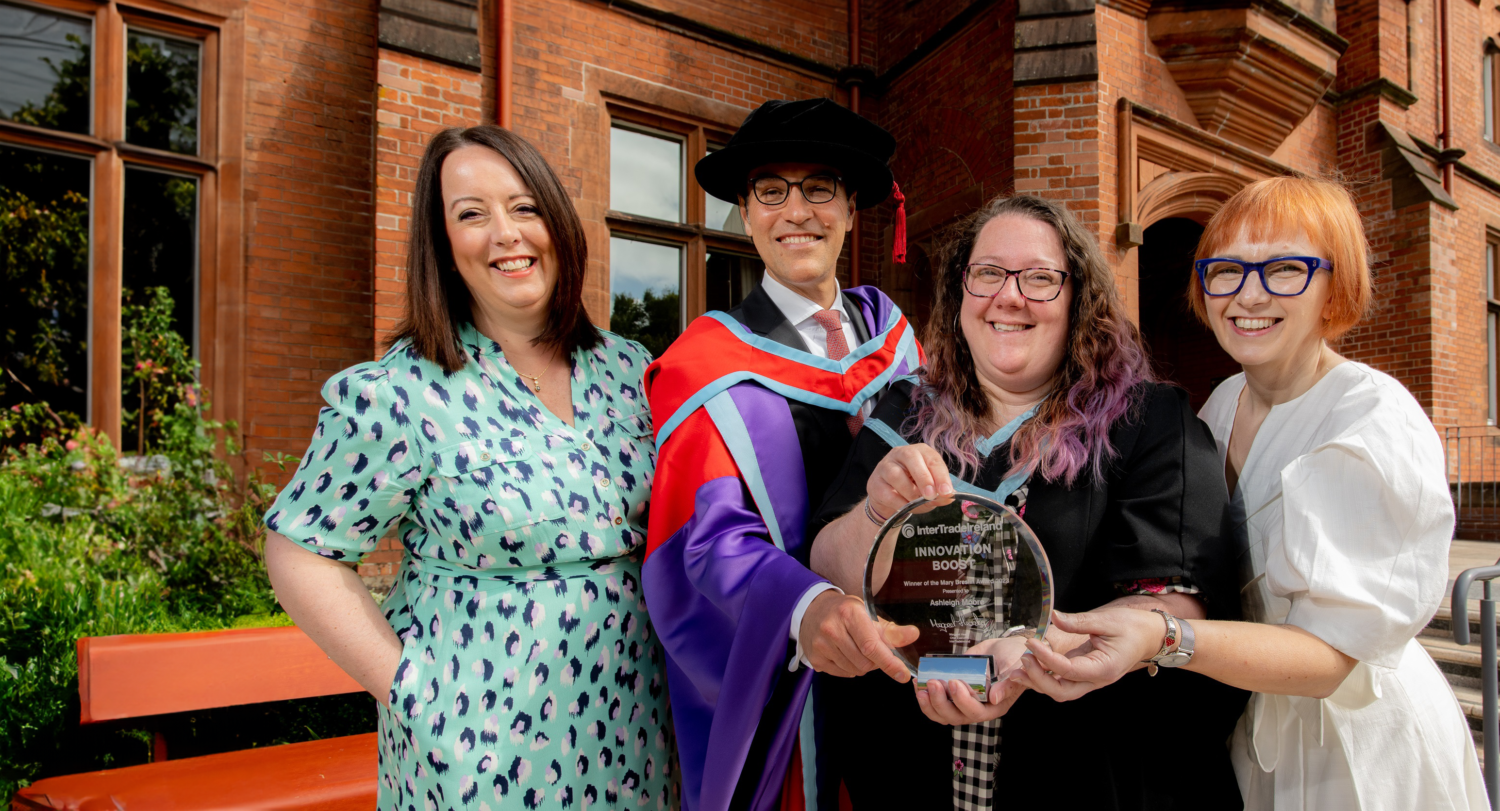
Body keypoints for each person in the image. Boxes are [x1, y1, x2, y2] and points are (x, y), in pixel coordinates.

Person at [1019, 176, 1488, 810]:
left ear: (1334, 288)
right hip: (1249, 721)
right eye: (1227, 271)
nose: (1249, 294)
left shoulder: (1371, 421)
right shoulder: (1221, 403)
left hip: (1352, 747)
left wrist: (1162, 637)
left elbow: (1331, 657)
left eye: (1285, 269)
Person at [262, 125, 677, 810]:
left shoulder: (630, 370)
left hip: (637, 726)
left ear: (556, 223)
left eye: (524, 207)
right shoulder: (400, 393)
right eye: (471, 214)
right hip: (481, 746)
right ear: (444, 246)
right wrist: (407, 688)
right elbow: (300, 549)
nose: (506, 234)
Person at [808, 193, 1249, 809]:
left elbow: (1179, 599)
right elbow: (825, 566)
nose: (1008, 297)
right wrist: (877, 514)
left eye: (1040, 278)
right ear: (960, 292)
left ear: (1078, 299)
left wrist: (1047, 649)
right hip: (909, 772)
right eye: (988, 273)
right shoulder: (902, 414)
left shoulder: (1148, 422)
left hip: (1080, 775)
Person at [641, 97, 924, 811]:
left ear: (852, 209)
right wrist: (803, 605)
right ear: (745, 212)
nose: (796, 210)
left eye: (819, 188)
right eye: (771, 190)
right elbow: (702, 544)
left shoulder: (895, 338)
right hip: (795, 681)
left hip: (914, 674)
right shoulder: (705, 368)